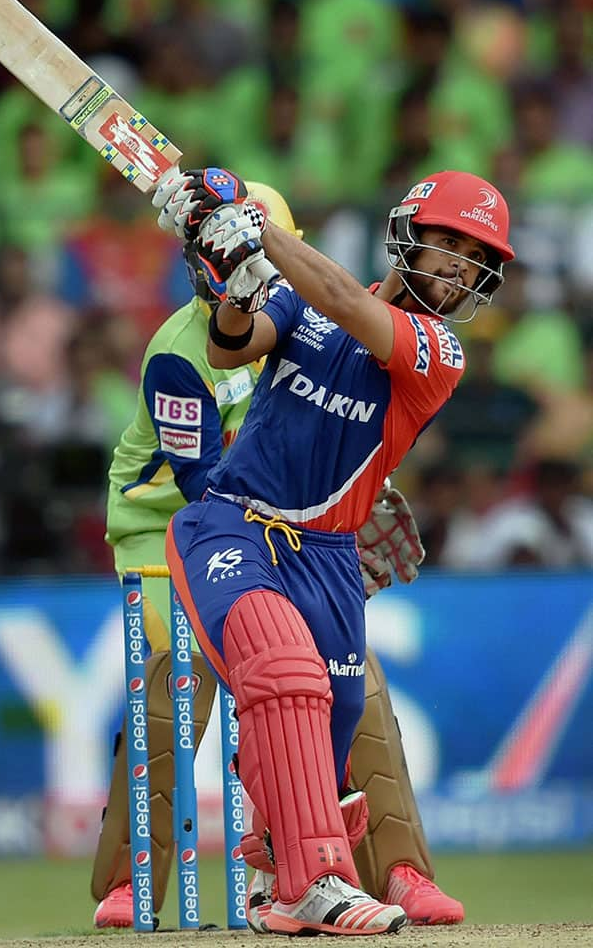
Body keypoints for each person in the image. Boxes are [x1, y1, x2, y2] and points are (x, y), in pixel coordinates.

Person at [153, 166, 514, 935]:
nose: (456, 263)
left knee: (330, 722)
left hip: (329, 560)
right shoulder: (301, 303)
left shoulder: (437, 352)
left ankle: (271, 880)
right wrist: (235, 285)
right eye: (446, 241)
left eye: (473, 254)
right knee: (284, 673)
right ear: (408, 237)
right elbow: (230, 349)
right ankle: (314, 882)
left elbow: (346, 302)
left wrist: (256, 229)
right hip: (234, 522)